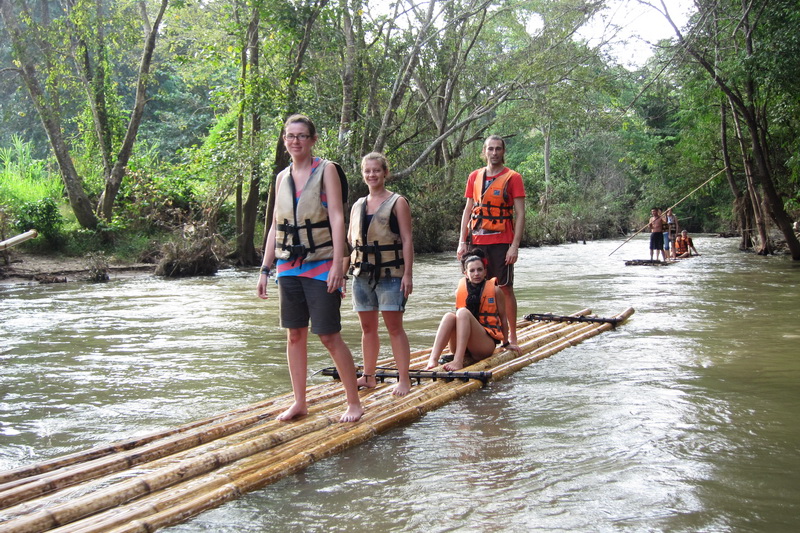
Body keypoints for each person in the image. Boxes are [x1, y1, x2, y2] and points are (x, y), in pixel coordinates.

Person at [257, 114, 363, 423]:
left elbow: (337, 220)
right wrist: (265, 269)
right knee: (294, 335)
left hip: (322, 262)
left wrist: (338, 268)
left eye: (302, 136)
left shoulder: (326, 170)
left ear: (312, 140)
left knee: (329, 336)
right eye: (290, 136)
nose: (295, 141)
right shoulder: (281, 178)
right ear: (284, 139)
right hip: (287, 265)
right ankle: (300, 402)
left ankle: (354, 403)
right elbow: (276, 225)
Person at [346, 152, 414, 396]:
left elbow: (407, 239)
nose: (372, 175)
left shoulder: (398, 202)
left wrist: (408, 274)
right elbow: (349, 244)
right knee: (367, 328)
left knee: (394, 327)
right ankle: (369, 376)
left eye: (376, 170)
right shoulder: (357, 205)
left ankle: (404, 379)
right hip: (361, 274)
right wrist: (344, 274)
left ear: (385, 172)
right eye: (367, 171)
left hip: (391, 273)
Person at [457, 135, 526, 345]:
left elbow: (520, 214)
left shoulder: (513, 177)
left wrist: (514, 246)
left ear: (503, 152)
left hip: (501, 241)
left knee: (504, 288)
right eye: (490, 149)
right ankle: (481, 335)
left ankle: (511, 336)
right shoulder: (475, 176)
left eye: (498, 149)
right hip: (476, 241)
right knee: (475, 287)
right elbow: (468, 209)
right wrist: (462, 241)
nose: (494, 153)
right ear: (484, 151)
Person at [425, 250, 520, 371]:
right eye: (472, 270)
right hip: (463, 346)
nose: (476, 274)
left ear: (485, 272)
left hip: (484, 345)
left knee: (462, 312)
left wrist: (506, 343)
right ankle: (433, 359)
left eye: (480, 270)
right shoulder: (459, 291)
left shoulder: (496, 291)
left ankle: (458, 361)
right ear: (466, 273)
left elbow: (503, 317)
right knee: (449, 316)